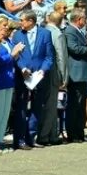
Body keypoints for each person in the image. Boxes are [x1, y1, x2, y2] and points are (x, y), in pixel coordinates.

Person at [10, 10, 54, 150]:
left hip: (39, 76)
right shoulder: (18, 35)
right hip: (23, 76)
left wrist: (43, 69)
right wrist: (22, 69)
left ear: (31, 21)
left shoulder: (45, 34)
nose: (20, 22)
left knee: (37, 107)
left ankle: (31, 136)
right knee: (21, 108)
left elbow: (49, 56)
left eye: (22, 20)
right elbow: (16, 56)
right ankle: (20, 139)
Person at [63, 9, 87, 143]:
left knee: (81, 103)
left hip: (83, 72)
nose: (86, 21)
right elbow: (74, 49)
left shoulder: (79, 31)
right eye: (84, 19)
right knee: (75, 104)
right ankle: (73, 134)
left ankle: (79, 133)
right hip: (76, 72)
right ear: (79, 19)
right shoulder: (70, 31)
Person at [0, 16, 21, 153]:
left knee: (5, 112)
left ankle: (0, 138)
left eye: (7, 25)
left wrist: (17, 54)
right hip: (0, 80)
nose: (6, 27)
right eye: (3, 25)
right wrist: (13, 55)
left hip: (9, 79)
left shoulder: (7, 41)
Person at [38, 11, 68, 146]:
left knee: (43, 104)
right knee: (51, 105)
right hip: (52, 71)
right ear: (61, 21)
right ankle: (46, 136)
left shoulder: (42, 30)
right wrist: (63, 76)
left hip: (40, 71)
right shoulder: (57, 34)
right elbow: (61, 56)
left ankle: (49, 133)